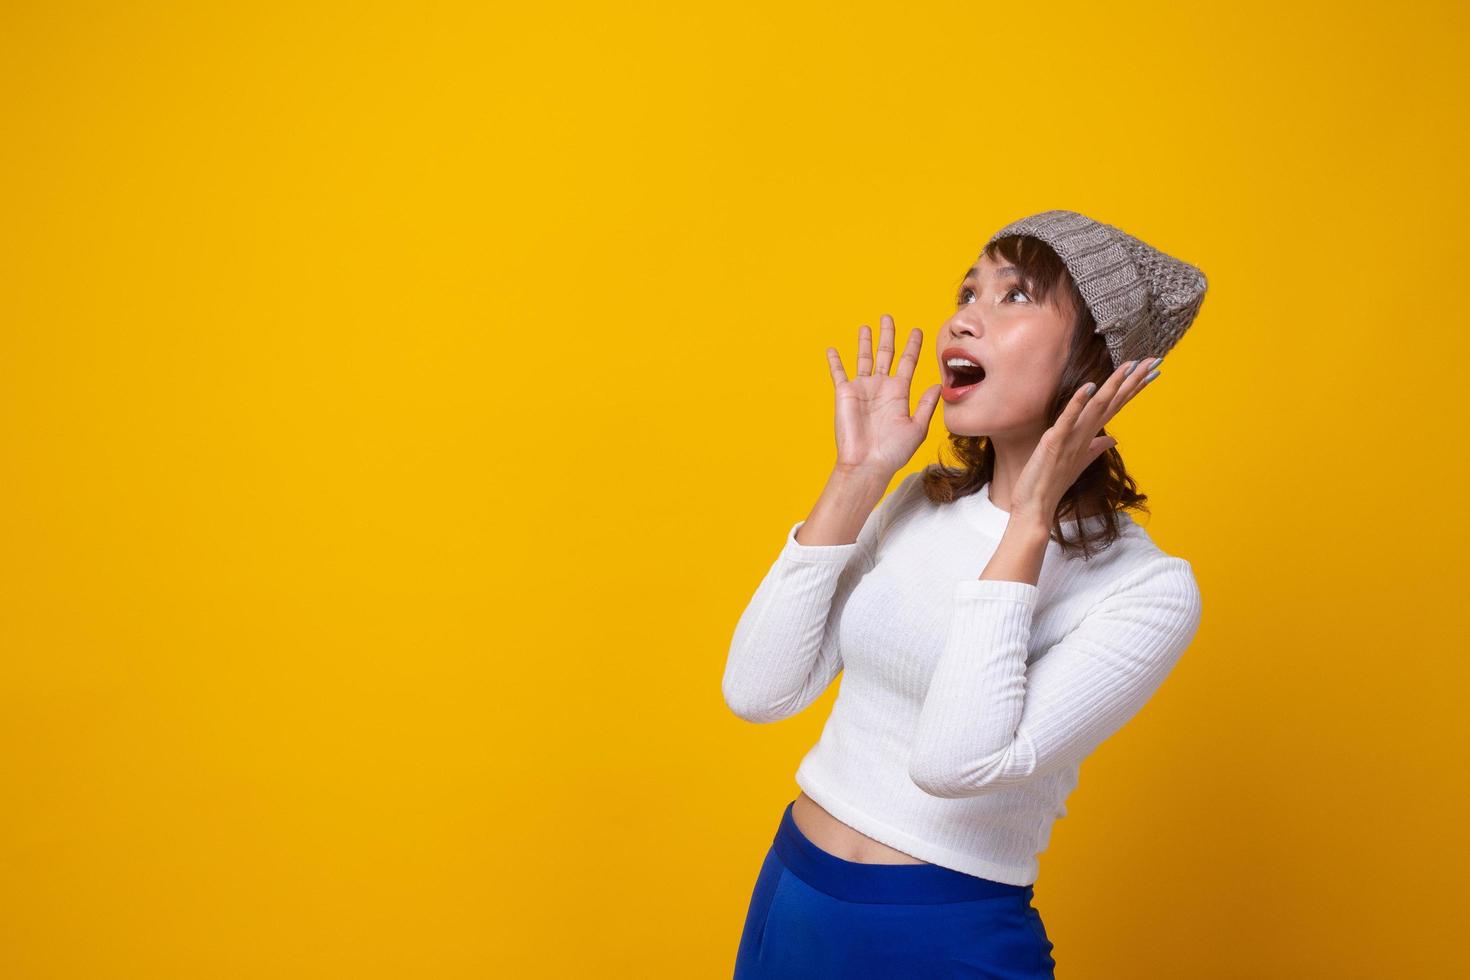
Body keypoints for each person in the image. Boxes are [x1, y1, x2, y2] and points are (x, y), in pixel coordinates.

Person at [723, 209, 1208, 979]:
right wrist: (856, 480)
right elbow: (758, 690)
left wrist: (1029, 526)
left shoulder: (1144, 589)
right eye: (967, 290)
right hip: (793, 897)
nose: (965, 318)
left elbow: (953, 762)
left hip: (940, 941)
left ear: (1097, 363)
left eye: (1014, 296)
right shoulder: (919, 501)